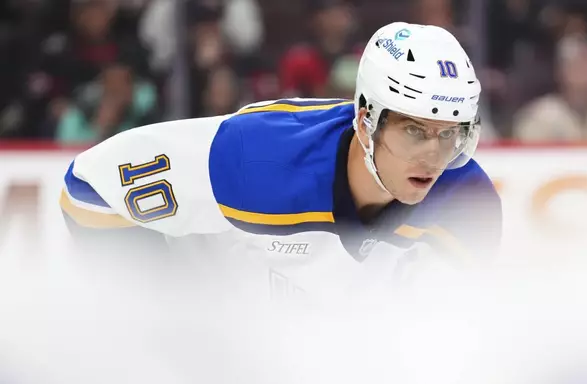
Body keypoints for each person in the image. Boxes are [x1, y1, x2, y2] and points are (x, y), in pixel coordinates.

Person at [59, 23, 501, 295]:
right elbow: (90, 186)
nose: (433, 156)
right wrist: (166, 309)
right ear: (366, 121)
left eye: (451, 136)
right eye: (413, 130)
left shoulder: (468, 204)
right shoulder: (258, 159)